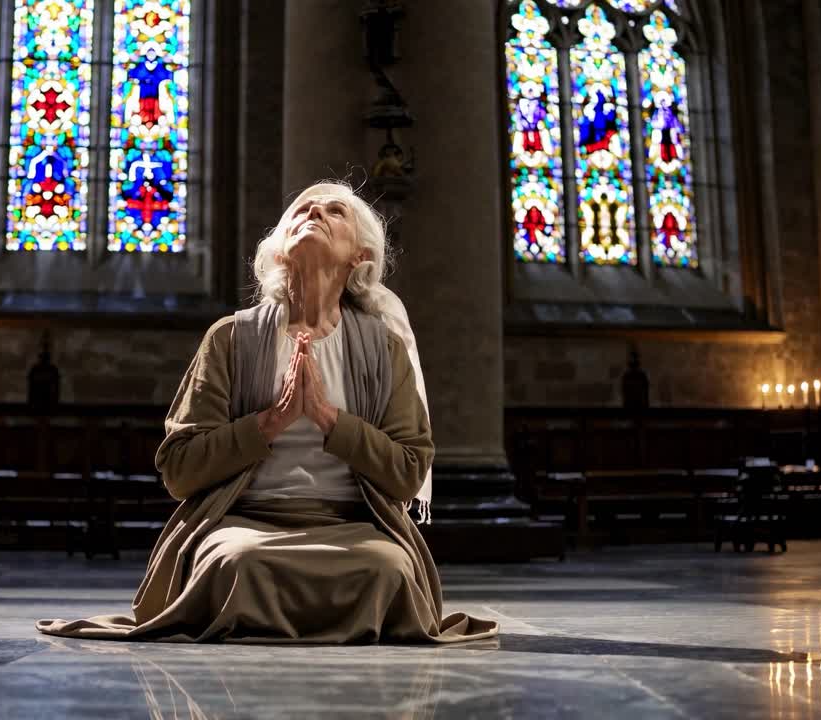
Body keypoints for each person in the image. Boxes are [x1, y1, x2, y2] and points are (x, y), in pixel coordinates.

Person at [36, 181, 498, 643]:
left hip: (352, 525)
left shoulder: (383, 350)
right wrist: (269, 423)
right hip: (246, 521)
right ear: (278, 251)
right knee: (237, 563)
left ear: (359, 257)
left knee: (387, 568)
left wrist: (329, 419)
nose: (313, 213)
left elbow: (408, 472)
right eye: (301, 210)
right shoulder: (230, 339)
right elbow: (179, 470)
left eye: (334, 211)